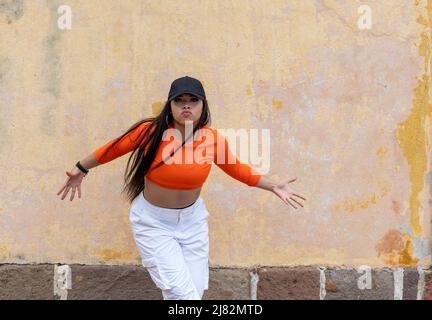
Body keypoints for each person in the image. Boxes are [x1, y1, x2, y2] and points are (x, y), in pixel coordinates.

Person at [56, 75, 306, 300]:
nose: (186, 105)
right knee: (184, 296)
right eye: (180, 100)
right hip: (154, 223)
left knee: (192, 293)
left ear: (203, 105)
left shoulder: (212, 139)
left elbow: (238, 169)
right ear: (170, 105)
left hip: (192, 221)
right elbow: (112, 149)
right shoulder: (150, 132)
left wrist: (274, 186)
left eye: (193, 100)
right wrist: (81, 168)